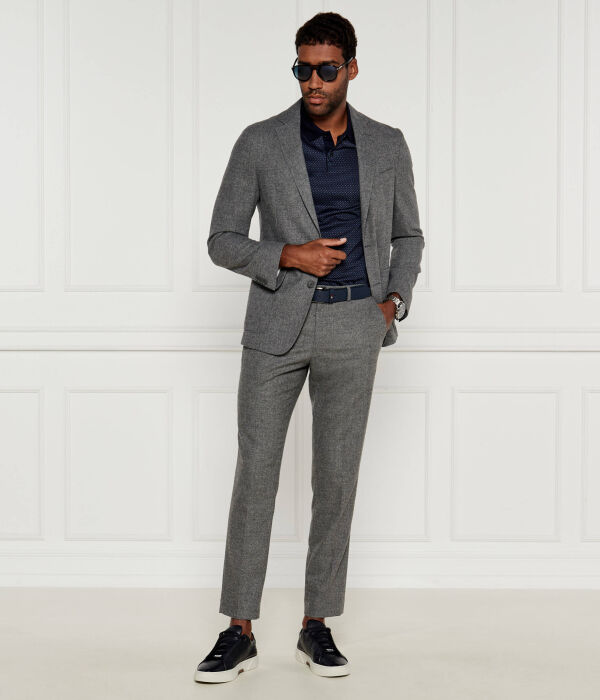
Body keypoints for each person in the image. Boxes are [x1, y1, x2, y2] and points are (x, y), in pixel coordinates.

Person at [194, 11, 424, 683]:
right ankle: (239, 629)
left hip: (356, 324)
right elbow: (221, 238)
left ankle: (316, 624)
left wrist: (392, 302)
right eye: (303, 69)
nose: (314, 82)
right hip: (277, 327)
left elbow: (408, 235)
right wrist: (287, 254)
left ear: (351, 67)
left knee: (337, 478)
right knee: (256, 474)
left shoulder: (387, 144)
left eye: (326, 69)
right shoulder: (260, 142)